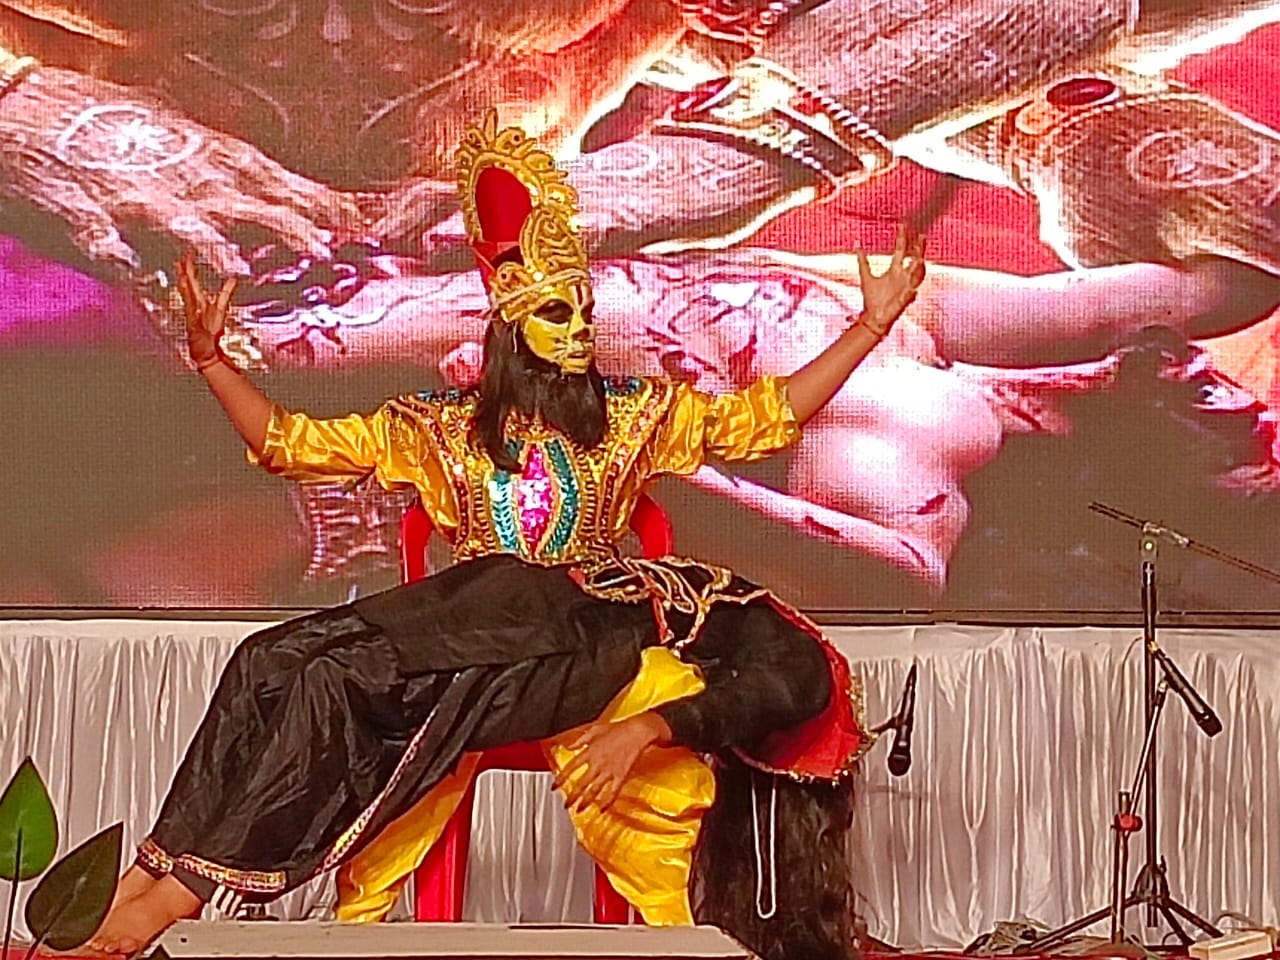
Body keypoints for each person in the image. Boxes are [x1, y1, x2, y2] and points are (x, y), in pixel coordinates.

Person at [85, 111, 926, 960]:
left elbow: (766, 418)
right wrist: (212, 361)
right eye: (558, 314)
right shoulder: (439, 427)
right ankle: (149, 874)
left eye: (585, 312)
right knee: (266, 659)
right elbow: (288, 444)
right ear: (512, 326)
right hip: (473, 619)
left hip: (582, 626)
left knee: (339, 675)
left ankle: (182, 898)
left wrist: (870, 325)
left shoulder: (633, 414)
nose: (580, 330)